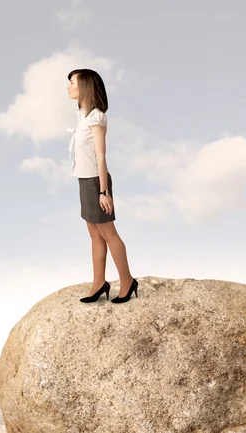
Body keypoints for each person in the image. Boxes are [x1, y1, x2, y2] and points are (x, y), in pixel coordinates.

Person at [66, 69, 138, 303]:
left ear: (85, 86)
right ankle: (99, 283)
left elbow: (101, 156)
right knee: (94, 232)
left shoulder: (96, 117)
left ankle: (127, 281)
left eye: (72, 82)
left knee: (108, 233)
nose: (68, 87)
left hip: (96, 181)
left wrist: (103, 191)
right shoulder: (82, 115)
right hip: (84, 180)